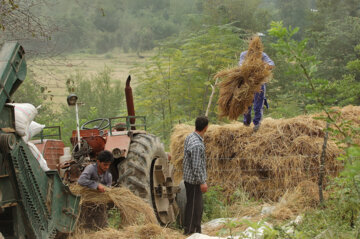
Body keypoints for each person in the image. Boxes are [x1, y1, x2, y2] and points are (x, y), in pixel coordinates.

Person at [239, 35, 275, 132]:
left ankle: (257, 124)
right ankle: (246, 122)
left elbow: (271, 64)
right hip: (247, 83)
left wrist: (263, 66)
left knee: (258, 105)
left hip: (260, 83)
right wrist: (251, 67)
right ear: (249, 44)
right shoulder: (244, 54)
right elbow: (241, 66)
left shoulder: (262, 55)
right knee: (247, 103)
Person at [183, 116, 209, 235]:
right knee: (195, 208)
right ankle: (191, 232)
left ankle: (194, 230)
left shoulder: (190, 137)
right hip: (194, 181)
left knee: (193, 205)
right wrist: (202, 182)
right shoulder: (197, 145)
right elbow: (197, 166)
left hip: (188, 178)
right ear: (205, 128)